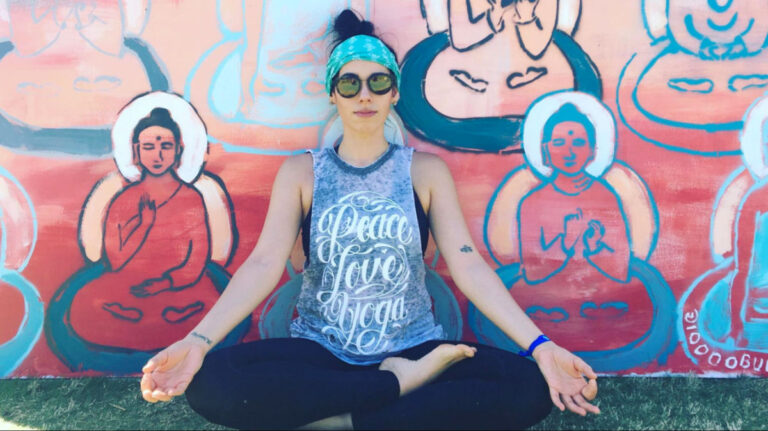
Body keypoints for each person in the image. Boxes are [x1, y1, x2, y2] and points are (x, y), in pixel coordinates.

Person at [139, 10, 599, 430]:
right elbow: (263, 264)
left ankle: (344, 418)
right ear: (333, 93)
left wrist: (542, 348)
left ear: (395, 92)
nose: (365, 95)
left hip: (415, 346)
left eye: (378, 83)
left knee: (529, 387)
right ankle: (393, 392)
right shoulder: (302, 173)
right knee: (212, 383)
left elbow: (468, 264)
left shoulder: (425, 172)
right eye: (350, 83)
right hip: (322, 352)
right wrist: (198, 342)